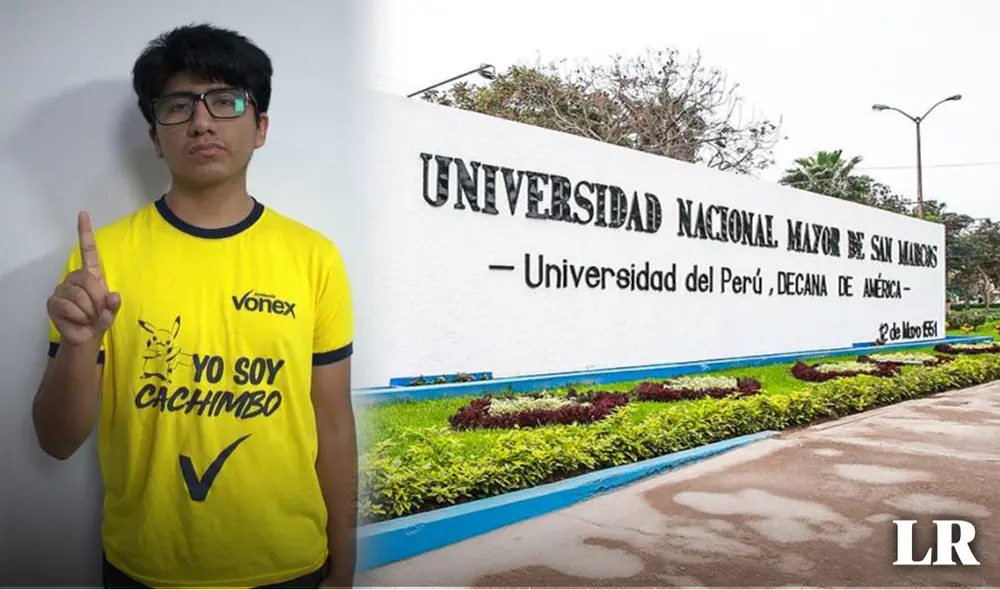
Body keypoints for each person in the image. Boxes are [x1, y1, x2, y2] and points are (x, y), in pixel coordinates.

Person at [31, 23, 357, 589]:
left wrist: (345, 560)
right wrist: (78, 347)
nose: (201, 121)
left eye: (225, 101)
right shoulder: (100, 264)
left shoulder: (314, 257)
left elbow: (332, 422)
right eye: (178, 106)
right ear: (156, 137)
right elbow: (56, 442)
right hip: (145, 568)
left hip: (291, 565)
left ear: (260, 128)